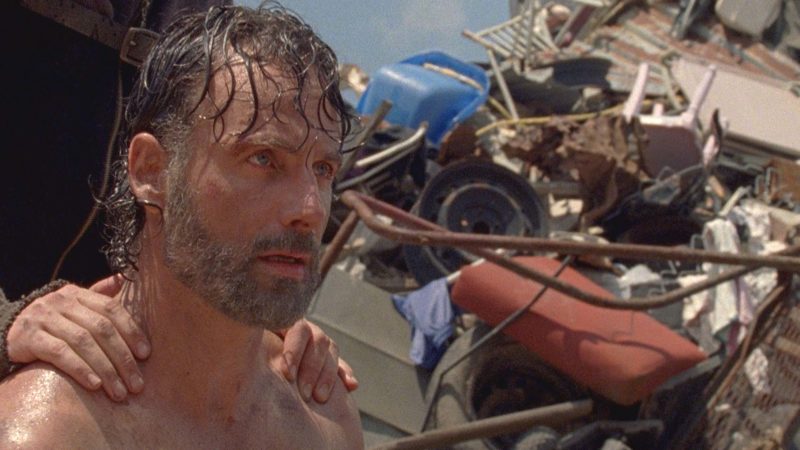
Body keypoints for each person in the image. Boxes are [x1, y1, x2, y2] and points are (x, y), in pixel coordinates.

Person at [0, 3, 363, 447]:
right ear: (149, 169)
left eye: (324, 170)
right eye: (263, 159)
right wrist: (4, 318)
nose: (311, 209)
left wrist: (260, 298)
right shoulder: (41, 429)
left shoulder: (325, 419)